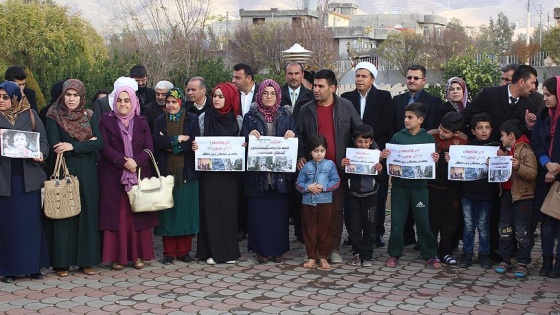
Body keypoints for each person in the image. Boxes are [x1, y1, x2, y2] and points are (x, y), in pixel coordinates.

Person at [295, 69, 362, 263]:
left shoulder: (346, 106)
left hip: (336, 170)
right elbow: (299, 135)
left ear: (332, 88)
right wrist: (300, 155)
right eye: (314, 85)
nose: (315, 89)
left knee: (335, 210)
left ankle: (333, 249)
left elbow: (360, 131)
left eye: (320, 86)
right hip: (311, 171)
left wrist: (372, 154)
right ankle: (313, 251)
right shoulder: (306, 108)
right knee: (311, 211)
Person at [45, 79, 104, 277]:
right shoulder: (53, 115)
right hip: (64, 170)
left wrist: (72, 146)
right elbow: (55, 145)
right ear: (63, 95)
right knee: (64, 213)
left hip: (87, 172)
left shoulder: (88, 115)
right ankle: (62, 263)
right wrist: (86, 144)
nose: (71, 99)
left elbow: (100, 143)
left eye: (75, 95)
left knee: (87, 214)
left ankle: (86, 261)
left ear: (81, 97)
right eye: (68, 95)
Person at [97, 86, 158, 271]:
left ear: (133, 102)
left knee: (137, 215)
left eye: (127, 100)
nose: (122, 104)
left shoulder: (141, 121)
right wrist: (124, 162)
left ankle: (138, 255)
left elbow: (149, 147)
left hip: (138, 175)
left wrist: (136, 162)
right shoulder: (105, 121)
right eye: (119, 100)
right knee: (118, 217)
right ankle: (118, 257)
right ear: (114, 102)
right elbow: (103, 146)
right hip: (113, 176)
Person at [381, 102, 442, 269]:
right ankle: (394, 254)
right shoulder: (397, 137)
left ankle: (429, 254)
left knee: (423, 221)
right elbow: (391, 162)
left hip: (420, 187)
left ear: (420, 120)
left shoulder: (428, 139)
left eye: (410, 117)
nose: (406, 120)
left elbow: (431, 167)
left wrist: (435, 160)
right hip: (400, 186)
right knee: (397, 222)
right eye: (405, 117)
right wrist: (386, 156)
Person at [241, 79, 295, 264]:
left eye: (273, 93)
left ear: (278, 95)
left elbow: (296, 138)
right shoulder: (250, 117)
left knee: (278, 216)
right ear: (260, 95)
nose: (269, 96)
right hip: (258, 177)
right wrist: (248, 137)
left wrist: (292, 135)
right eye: (265, 93)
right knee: (259, 216)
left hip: (280, 177)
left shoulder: (286, 116)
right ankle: (261, 251)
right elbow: (242, 143)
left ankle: (277, 250)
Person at [0, 81, 49, 283]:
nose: (1, 101)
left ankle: (33, 267)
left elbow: (44, 141)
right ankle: (9, 269)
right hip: (4, 181)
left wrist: (40, 155)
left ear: (15, 98)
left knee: (31, 226)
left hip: (29, 180)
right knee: (8, 226)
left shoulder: (30, 114)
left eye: (5, 97)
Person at [341, 61, 393, 248]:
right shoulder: (346, 97)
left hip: (374, 151)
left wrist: (366, 134)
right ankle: (353, 233)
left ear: (372, 79)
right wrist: (357, 138)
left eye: (364, 76)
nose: (360, 79)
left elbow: (387, 122)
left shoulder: (384, 97)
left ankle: (376, 232)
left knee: (376, 195)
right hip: (354, 151)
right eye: (357, 76)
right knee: (352, 195)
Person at [392, 64, 442, 247]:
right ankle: (403, 241)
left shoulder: (434, 102)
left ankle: (426, 247)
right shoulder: (397, 100)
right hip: (401, 158)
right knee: (399, 213)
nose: (411, 80)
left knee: (421, 212)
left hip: (420, 161)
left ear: (424, 81)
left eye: (416, 78)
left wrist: (426, 153)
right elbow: (393, 125)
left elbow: (435, 127)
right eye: (409, 77)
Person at [193, 82, 242, 264]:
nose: (217, 99)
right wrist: (196, 146)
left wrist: (242, 146)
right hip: (209, 174)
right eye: (215, 96)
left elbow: (240, 142)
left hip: (229, 175)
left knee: (228, 211)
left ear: (229, 98)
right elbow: (200, 139)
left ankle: (228, 252)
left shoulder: (237, 120)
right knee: (211, 210)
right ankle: (211, 251)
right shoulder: (204, 117)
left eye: (221, 96)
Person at [152, 88, 200, 265]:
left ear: (180, 102)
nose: (170, 105)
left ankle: (184, 251)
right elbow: (156, 141)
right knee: (168, 213)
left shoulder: (191, 119)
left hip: (186, 173)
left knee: (186, 212)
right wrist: (177, 138)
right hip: (166, 173)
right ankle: (169, 252)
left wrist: (172, 145)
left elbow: (194, 142)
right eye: (168, 102)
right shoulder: (159, 120)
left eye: (174, 102)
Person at [495, 119, 537, 278]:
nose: (501, 139)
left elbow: (533, 174)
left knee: (522, 231)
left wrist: (518, 166)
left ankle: (523, 262)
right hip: (506, 196)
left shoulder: (526, 151)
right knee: (504, 229)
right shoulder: (507, 150)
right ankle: (506, 259)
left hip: (522, 197)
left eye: (502, 135)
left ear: (511, 135)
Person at [457, 113, 500, 269]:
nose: (484, 131)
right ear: (473, 131)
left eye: (487, 128)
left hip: (487, 194)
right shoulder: (466, 148)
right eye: (480, 128)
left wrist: (499, 159)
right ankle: (467, 254)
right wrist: (452, 160)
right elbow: (458, 164)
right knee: (468, 225)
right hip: (467, 192)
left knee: (483, 225)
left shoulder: (496, 148)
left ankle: (484, 254)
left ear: (491, 130)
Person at [427, 112, 468, 265]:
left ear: (455, 133)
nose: (441, 133)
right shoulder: (431, 135)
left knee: (449, 221)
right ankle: (431, 251)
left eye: (446, 132)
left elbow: (466, 163)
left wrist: (454, 160)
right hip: (432, 186)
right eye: (440, 128)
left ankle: (446, 251)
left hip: (452, 188)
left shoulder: (462, 140)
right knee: (432, 220)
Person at [340, 124, 383, 267]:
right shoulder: (350, 156)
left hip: (370, 196)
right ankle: (357, 253)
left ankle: (368, 255)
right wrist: (343, 165)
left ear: (371, 141)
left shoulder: (376, 157)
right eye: (359, 141)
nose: (363, 145)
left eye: (366, 142)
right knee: (354, 227)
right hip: (353, 195)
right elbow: (345, 176)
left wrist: (379, 170)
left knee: (370, 226)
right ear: (354, 141)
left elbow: (382, 180)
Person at [295, 135, 340, 270]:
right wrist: (308, 188)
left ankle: (324, 257)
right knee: (310, 230)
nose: (319, 154)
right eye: (316, 151)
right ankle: (311, 257)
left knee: (325, 230)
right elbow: (298, 183)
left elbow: (336, 181)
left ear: (325, 151)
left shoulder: (330, 164)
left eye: (322, 151)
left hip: (325, 202)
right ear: (310, 152)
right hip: (308, 203)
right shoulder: (306, 166)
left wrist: (324, 187)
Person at [281, 62, 314, 244]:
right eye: (290, 73)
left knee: (301, 194)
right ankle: (281, 234)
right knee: (284, 195)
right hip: (281, 153)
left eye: (296, 73)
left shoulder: (310, 97)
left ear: (302, 75)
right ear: (285, 75)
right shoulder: (277, 94)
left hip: (302, 153)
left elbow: (307, 130)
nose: (293, 77)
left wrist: (303, 154)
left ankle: (302, 234)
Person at [530, 76, 560, 277]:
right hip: (545, 175)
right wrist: (546, 164)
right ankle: (547, 259)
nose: (545, 98)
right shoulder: (543, 115)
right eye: (544, 94)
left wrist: (556, 169)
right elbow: (537, 142)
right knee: (547, 221)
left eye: (549, 95)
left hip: (557, 175)